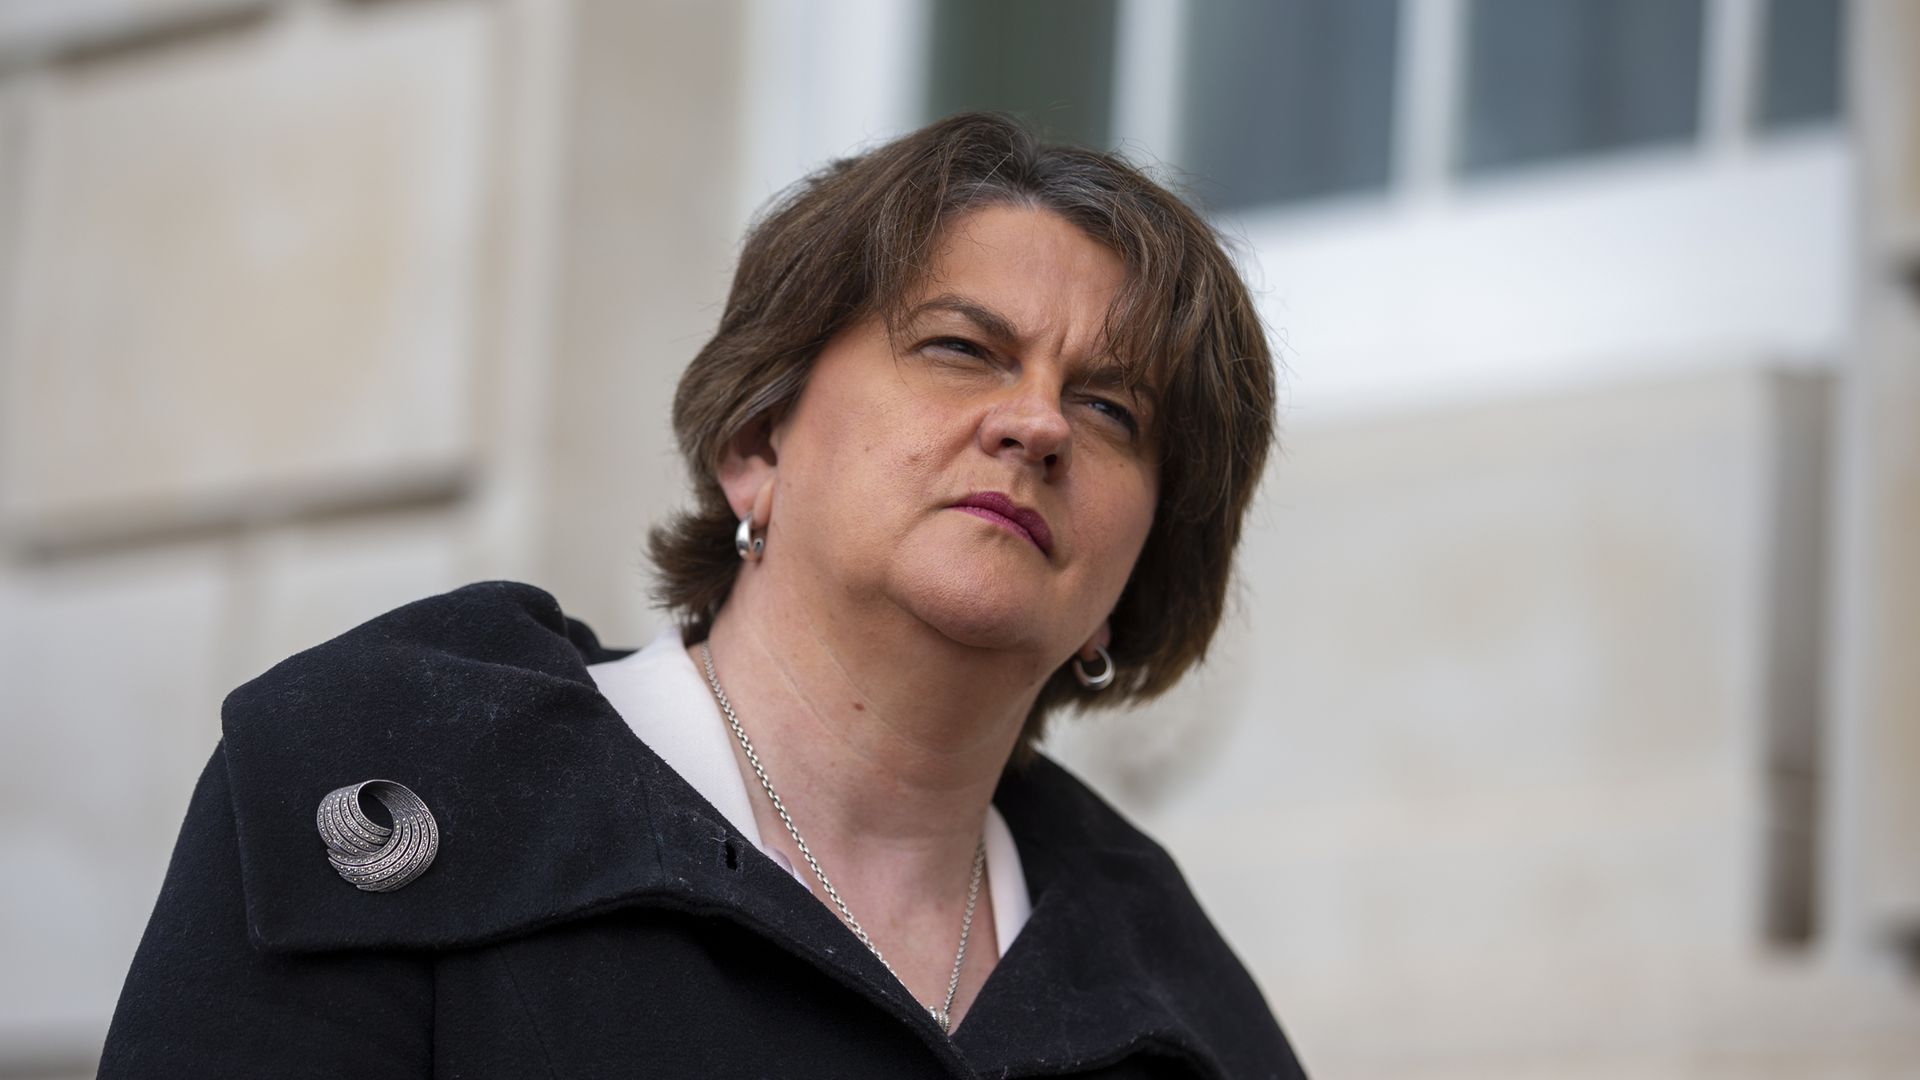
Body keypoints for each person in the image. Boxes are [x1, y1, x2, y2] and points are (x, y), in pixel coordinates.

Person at [99, 113, 1306, 1078]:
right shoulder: (386, 785)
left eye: (1111, 409)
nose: (1038, 422)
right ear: (757, 442)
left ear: (1128, 585)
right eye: (961, 348)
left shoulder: (1185, 1012)